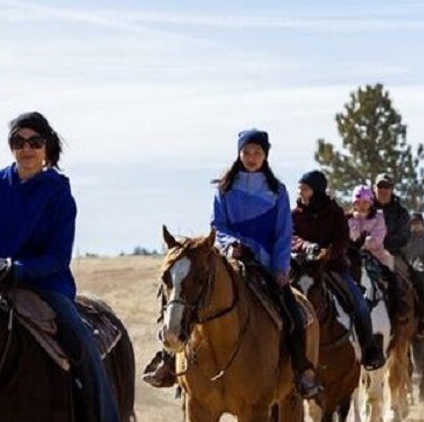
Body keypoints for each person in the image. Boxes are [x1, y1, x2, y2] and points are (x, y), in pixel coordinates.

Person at [0, 112, 124, 422]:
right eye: (18, 141)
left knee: (79, 341)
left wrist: (18, 269)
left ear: (47, 146)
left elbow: (57, 255)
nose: (26, 149)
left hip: (41, 285)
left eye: (34, 142)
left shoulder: (57, 192)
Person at [143, 129, 321, 399]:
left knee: (294, 314)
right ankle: (170, 361)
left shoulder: (277, 191)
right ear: (239, 154)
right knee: (185, 297)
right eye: (247, 152)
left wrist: (281, 269)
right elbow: (218, 225)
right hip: (229, 261)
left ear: (266, 155)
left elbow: (283, 233)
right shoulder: (224, 188)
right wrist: (229, 245)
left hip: (266, 265)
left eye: (257, 153)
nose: (252, 157)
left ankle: (301, 371)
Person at [291, 170, 386, 370]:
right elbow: (290, 237)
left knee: (359, 302)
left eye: (305, 189)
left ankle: (369, 349)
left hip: (333, 268)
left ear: (316, 190)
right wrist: (306, 247)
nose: (301, 192)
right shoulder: (295, 215)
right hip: (302, 269)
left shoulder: (334, 212)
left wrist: (327, 253)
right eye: (300, 189)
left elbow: (343, 240)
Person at [373, 172, 424, 330]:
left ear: (392, 189)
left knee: (416, 276)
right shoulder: (366, 207)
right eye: (380, 186)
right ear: (374, 188)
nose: (383, 190)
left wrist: (381, 243)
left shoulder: (401, 213)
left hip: (393, 254)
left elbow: (404, 236)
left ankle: (421, 317)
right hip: (365, 253)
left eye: (387, 187)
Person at [347, 184, 405, 316]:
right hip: (352, 257)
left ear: (371, 203)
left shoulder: (378, 217)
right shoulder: (348, 219)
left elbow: (378, 237)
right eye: (358, 202)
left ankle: (398, 308)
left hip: (376, 256)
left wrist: (359, 244)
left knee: (391, 277)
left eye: (365, 202)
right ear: (354, 202)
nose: (362, 205)